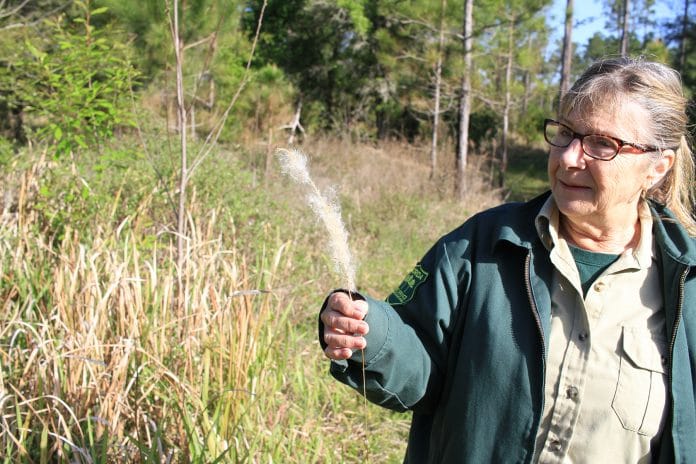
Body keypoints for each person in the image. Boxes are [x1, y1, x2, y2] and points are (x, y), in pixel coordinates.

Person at [319, 57, 696, 463]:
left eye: (602, 144)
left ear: (657, 166)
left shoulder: (685, 286)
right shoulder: (483, 245)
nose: (569, 157)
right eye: (566, 133)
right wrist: (370, 334)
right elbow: (420, 363)